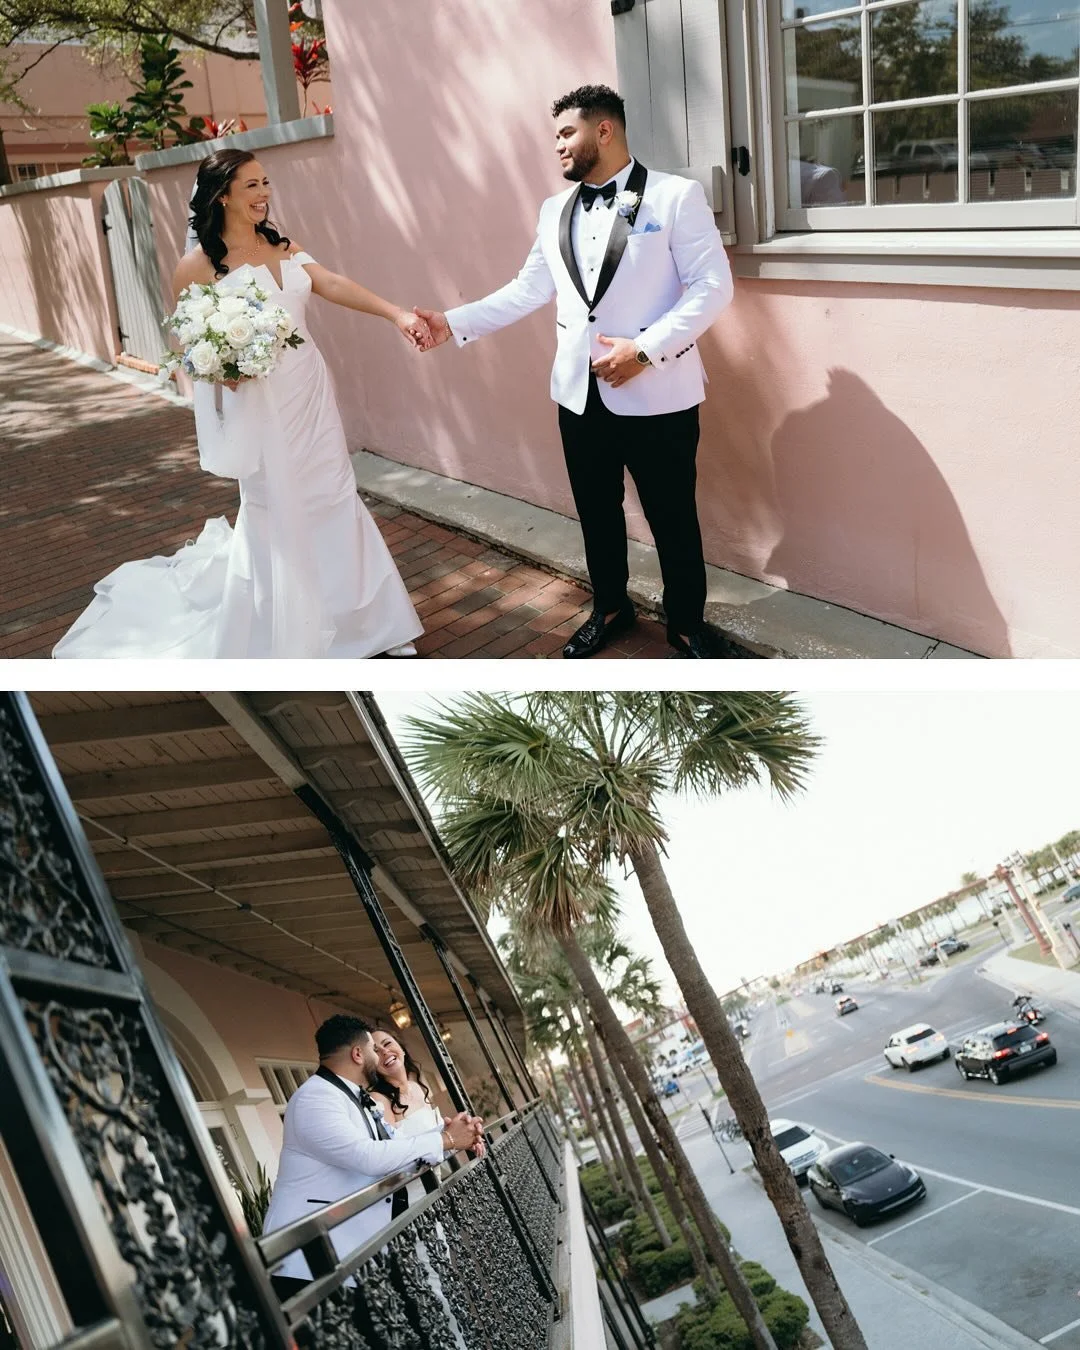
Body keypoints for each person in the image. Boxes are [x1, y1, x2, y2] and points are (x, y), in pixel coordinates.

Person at [54, 148, 428, 659]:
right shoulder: (198, 265)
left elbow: (332, 283)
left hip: (310, 392)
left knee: (335, 494)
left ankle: (370, 626)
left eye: (265, 183)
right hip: (259, 403)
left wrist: (395, 314)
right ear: (223, 195)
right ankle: (288, 628)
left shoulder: (284, 245)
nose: (264, 194)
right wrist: (226, 371)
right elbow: (192, 345)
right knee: (276, 507)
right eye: (251, 185)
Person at [415, 84, 736, 658]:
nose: (558, 146)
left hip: (657, 392)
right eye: (556, 136)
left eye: (567, 133)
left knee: (673, 518)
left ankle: (687, 625)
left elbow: (714, 287)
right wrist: (451, 321)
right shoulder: (553, 210)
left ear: (604, 130)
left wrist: (644, 350)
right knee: (596, 513)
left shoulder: (675, 197)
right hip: (577, 395)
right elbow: (528, 290)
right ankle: (610, 607)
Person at [261, 1014, 483, 1302]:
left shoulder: (353, 1097)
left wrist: (453, 1134)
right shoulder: (315, 1098)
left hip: (346, 1253)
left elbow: (399, 1146)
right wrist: (447, 1139)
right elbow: (367, 1156)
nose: (377, 1056)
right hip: (308, 1263)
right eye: (372, 1050)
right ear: (357, 1054)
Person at [368, 1028, 484, 1206]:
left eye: (387, 1043)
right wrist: (450, 1139)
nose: (384, 1052)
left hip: (438, 1189)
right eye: (375, 1051)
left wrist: (465, 1138)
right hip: (411, 1199)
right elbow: (393, 1158)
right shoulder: (379, 1100)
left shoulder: (416, 1087)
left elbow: (440, 1141)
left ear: (402, 1049)